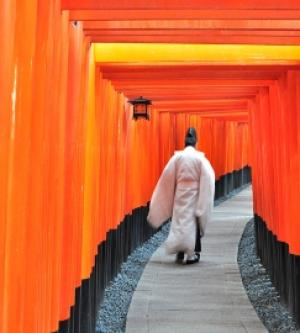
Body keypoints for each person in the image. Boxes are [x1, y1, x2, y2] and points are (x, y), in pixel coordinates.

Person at [147, 127, 215, 264]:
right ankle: (190, 254)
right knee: (191, 223)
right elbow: (209, 177)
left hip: (180, 193)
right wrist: (203, 198)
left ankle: (179, 251)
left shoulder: (177, 157)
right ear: (196, 142)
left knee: (178, 222)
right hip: (194, 194)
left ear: (185, 142)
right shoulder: (200, 159)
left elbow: (167, 177)